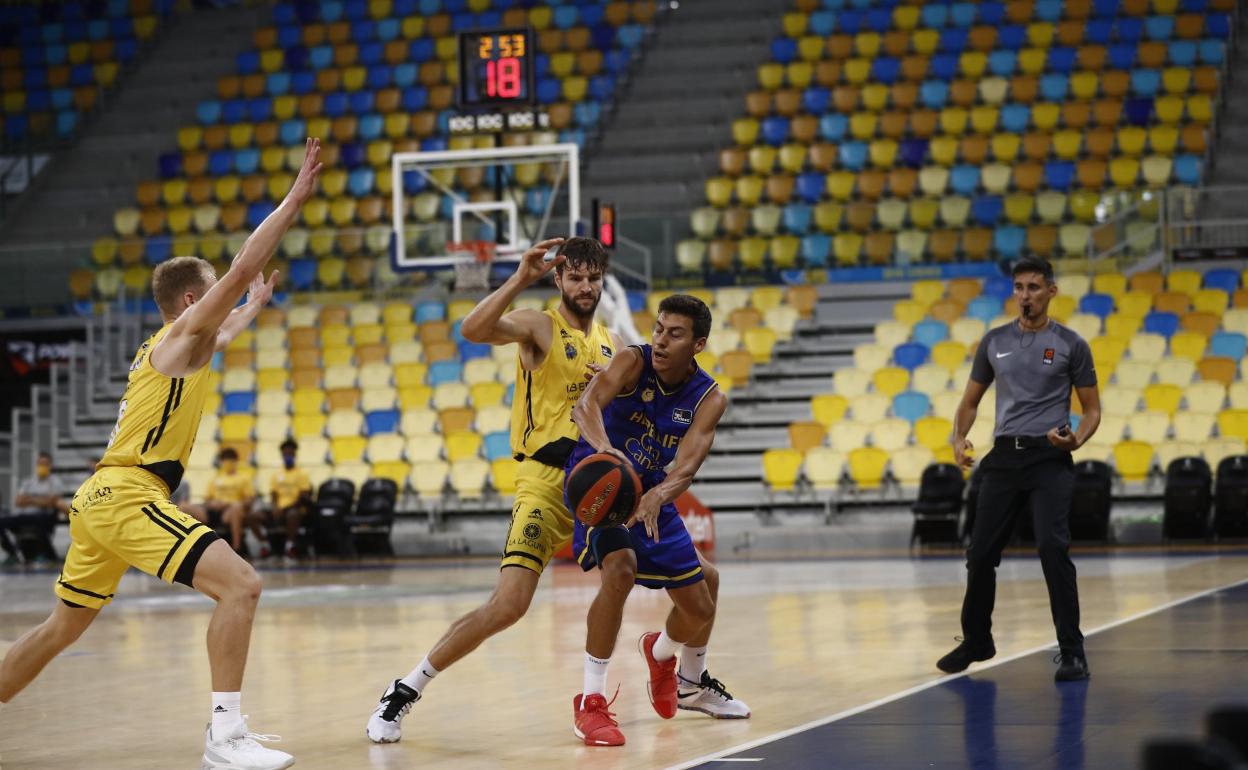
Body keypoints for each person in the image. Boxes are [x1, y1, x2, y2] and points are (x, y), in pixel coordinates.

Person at [0, 137, 322, 770]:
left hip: (101, 498)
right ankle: (225, 738)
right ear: (188, 303)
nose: (223, 304)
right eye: (213, 297)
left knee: (61, 628)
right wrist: (294, 199)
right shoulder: (178, 338)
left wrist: (253, 306)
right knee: (242, 585)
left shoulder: (177, 347)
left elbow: (224, 325)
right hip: (126, 494)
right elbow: (234, 273)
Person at [366, 236, 619, 743]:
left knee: (627, 573)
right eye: (576, 277)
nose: (585, 286)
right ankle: (406, 688)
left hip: (595, 486)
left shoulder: (608, 342)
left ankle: (608, 694)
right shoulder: (539, 325)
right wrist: (519, 278)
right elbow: (473, 329)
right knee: (508, 606)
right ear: (560, 279)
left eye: (593, 278)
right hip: (544, 487)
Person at [565, 294, 749, 747]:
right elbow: (586, 406)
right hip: (602, 482)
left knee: (702, 601)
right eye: (659, 329)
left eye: (676, 333)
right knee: (621, 568)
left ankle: (664, 656)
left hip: (650, 492)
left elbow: (686, 467)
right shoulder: (632, 360)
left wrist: (658, 496)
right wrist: (606, 450)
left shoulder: (709, 397)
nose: (662, 341)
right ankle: (591, 701)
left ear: (699, 344)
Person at [937, 257, 1101, 682]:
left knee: (1052, 548)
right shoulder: (993, 342)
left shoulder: (1071, 344)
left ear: (1051, 291)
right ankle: (976, 641)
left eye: (1033, 287)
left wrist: (1077, 440)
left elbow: (1092, 410)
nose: (1025, 296)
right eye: (1019, 288)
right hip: (1004, 459)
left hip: (1049, 458)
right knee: (980, 554)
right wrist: (958, 439)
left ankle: (1073, 652)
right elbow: (970, 403)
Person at [187, 447, 262, 557]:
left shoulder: (244, 478)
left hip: (229, 512)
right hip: (212, 510)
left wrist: (229, 504)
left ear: (236, 461)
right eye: (225, 460)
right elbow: (207, 499)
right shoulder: (215, 479)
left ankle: (237, 548)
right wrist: (212, 504)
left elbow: (250, 499)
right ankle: (193, 548)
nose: (228, 463)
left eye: (231, 460)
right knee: (185, 507)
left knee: (236, 508)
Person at [6, 451, 69, 564]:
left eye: (45, 464)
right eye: (40, 463)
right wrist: (41, 499)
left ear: (50, 465)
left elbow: (52, 502)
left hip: (44, 516)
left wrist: (29, 499)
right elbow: (18, 501)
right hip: (23, 516)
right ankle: (13, 554)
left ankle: (50, 556)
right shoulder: (29, 481)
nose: (42, 466)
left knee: (40, 522)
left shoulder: (55, 482)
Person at [267, 439, 311, 559]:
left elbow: (304, 496)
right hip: (279, 509)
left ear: (295, 455)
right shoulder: (276, 475)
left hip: (296, 508)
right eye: (286, 454)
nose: (288, 456)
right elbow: (273, 494)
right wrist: (275, 507)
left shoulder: (302, 474)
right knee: (253, 517)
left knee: (292, 514)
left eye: (290, 454)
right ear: (282, 455)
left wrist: (285, 509)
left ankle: (289, 546)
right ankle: (265, 545)